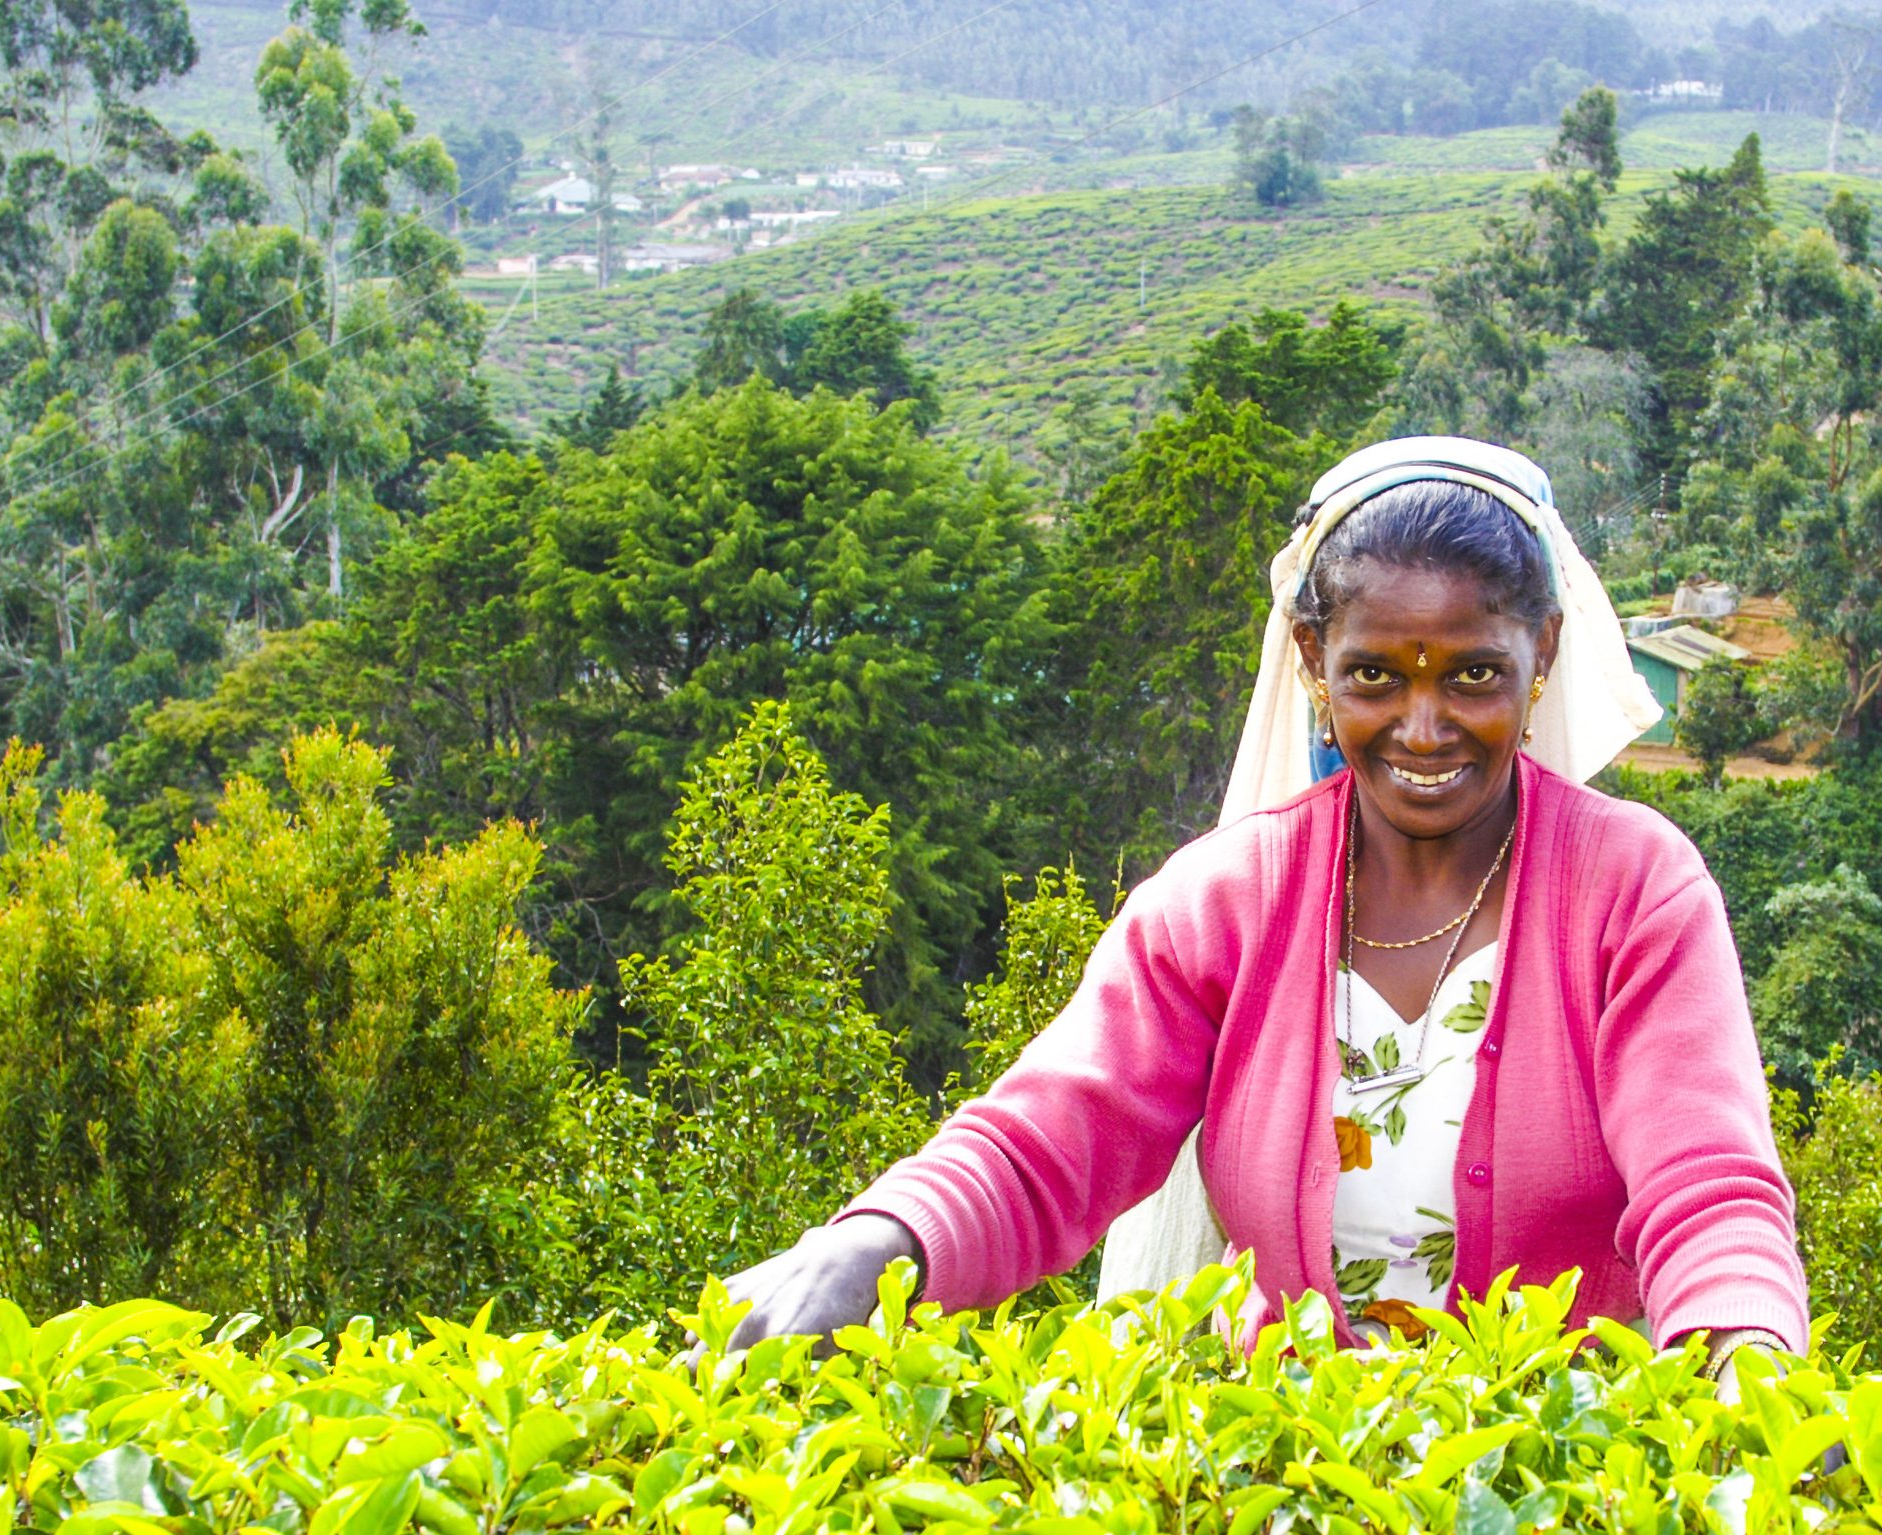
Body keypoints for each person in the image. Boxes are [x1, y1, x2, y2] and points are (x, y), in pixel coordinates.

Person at [718, 437, 1807, 1372]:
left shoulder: (1631, 890)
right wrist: (877, 1244)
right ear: (1311, 665)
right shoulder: (1224, 903)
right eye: (1376, 674)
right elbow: (1048, 1138)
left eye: (1471, 675)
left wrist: (1744, 1353)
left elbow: (1706, 1182)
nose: (1421, 727)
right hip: (1289, 1497)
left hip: (1566, 1500)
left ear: (1542, 658)